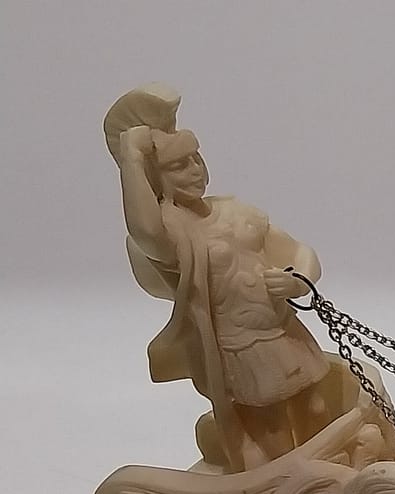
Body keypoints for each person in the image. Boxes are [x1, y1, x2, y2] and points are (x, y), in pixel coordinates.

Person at [106, 85, 335, 470]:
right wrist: (130, 158)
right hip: (242, 347)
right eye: (178, 166)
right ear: (154, 179)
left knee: (317, 407)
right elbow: (146, 233)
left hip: (284, 331)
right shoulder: (176, 231)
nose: (194, 170)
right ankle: (291, 485)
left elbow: (299, 251)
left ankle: (328, 473)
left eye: (195, 159)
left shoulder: (235, 210)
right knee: (274, 429)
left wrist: (298, 280)